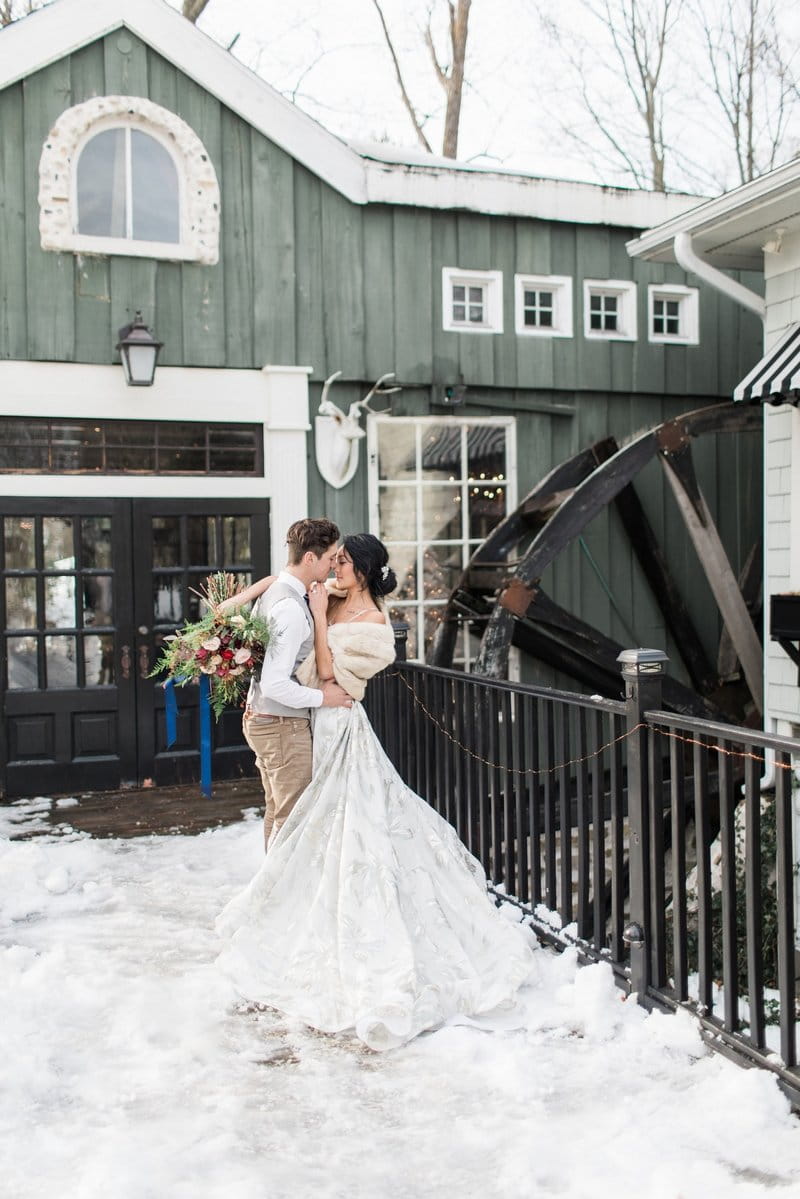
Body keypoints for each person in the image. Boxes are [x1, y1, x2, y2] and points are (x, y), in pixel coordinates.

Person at [216, 533, 536, 1052]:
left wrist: (319, 619)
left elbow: (326, 673)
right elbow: (283, 582)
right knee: (304, 824)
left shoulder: (375, 629)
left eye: (342, 563)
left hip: (337, 725)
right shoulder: (327, 597)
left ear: (361, 570)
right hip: (305, 719)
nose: (333, 571)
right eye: (333, 561)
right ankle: (286, 913)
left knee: (348, 833)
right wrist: (240, 604)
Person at [221, 518, 353, 851]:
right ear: (310, 558)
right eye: (329, 557)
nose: (333, 564)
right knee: (293, 817)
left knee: (278, 811)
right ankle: (278, 895)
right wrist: (323, 697)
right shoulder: (290, 609)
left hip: (267, 720)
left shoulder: (277, 590)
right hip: (280, 725)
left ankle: (272, 890)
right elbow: (276, 684)